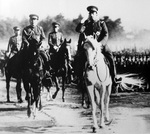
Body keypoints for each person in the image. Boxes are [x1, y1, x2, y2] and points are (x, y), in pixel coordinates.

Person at [75, 5, 121, 85]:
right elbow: (78, 30)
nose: (91, 15)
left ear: (96, 14)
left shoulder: (101, 23)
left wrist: (101, 44)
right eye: (90, 13)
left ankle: (114, 77)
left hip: (100, 46)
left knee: (110, 56)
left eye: (93, 13)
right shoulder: (86, 24)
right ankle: (78, 77)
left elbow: (106, 34)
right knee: (78, 56)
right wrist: (82, 21)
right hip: (89, 46)